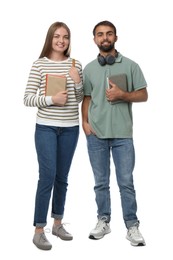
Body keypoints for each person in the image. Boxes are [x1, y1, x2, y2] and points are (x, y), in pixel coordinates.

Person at [82, 20, 148, 246]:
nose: (105, 38)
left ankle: (132, 225)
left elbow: (143, 95)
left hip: (123, 135)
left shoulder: (130, 65)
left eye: (109, 34)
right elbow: (87, 97)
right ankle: (103, 221)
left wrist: (123, 95)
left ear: (116, 38)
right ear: (95, 40)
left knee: (126, 182)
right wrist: (85, 122)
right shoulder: (89, 68)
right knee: (100, 182)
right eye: (100, 34)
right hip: (96, 134)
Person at [24, 21, 83, 250]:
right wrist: (51, 100)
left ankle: (57, 223)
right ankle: (39, 229)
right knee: (47, 175)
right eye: (57, 36)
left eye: (66, 37)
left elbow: (79, 98)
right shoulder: (39, 65)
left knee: (62, 178)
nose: (61, 40)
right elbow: (28, 98)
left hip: (70, 128)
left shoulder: (75, 64)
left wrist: (77, 81)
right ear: (50, 38)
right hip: (46, 127)